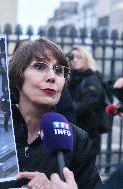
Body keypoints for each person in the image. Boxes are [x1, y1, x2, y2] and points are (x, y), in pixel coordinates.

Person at [9, 38, 101, 189]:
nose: (52, 76)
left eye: (59, 71)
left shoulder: (77, 139)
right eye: (39, 67)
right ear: (18, 77)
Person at [67, 46, 105, 154]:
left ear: (86, 59)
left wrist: (65, 108)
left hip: (87, 133)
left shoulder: (92, 79)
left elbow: (88, 104)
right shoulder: (69, 78)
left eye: (79, 57)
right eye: (72, 57)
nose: (74, 60)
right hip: (72, 130)